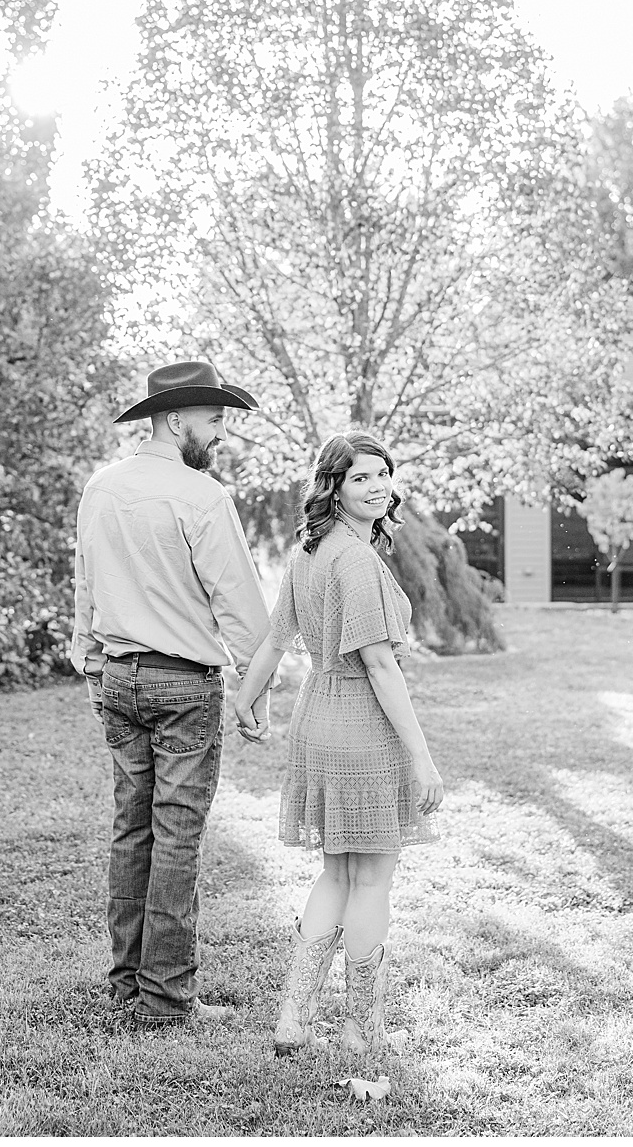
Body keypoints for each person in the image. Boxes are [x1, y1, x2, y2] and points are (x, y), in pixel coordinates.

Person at [72, 360, 272, 1027]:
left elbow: (86, 586)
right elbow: (242, 606)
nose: (220, 434)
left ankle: (125, 988)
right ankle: (164, 1001)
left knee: (133, 831)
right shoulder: (200, 495)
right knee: (176, 836)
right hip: (183, 685)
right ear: (176, 418)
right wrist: (256, 693)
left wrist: (90, 660)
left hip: (118, 680)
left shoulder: (100, 488)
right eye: (214, 419)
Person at [233, 431, 444, 1056]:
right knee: (373, 879)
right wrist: (421, 756)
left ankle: (294, 1020)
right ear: (334, 485)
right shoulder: (354, 559)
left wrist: (246, 698)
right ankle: (359, 1027)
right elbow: (381, 667)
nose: (377, 487)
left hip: (316, 719)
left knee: (336, 873)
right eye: (361, 478)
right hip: (361, 725)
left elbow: (274, 642)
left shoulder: (311, 551)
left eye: (383, 475)